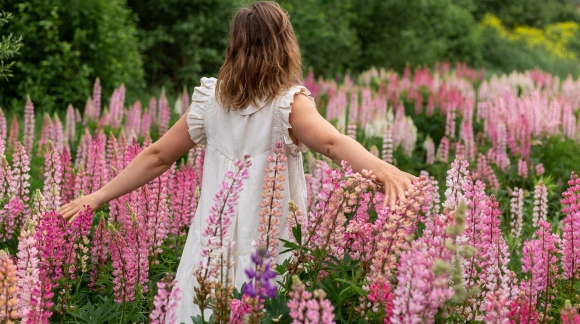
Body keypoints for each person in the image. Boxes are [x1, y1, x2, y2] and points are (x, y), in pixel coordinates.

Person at [58, 1, 417, 321]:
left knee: (201, 310)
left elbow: (158, 156)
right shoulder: (287, 104)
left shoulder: (211, 103)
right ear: (284, 45)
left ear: (235, 47)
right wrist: (383, 168)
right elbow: (332, 142)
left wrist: (98, 196)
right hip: (271, 249)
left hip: (211, 247)